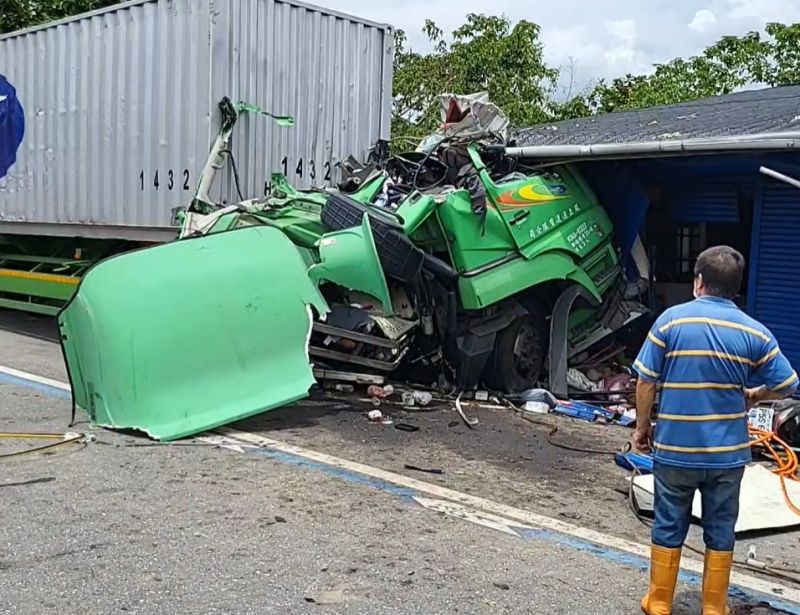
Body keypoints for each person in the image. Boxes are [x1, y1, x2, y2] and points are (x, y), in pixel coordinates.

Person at [633, 245, 798, 615]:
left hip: (676, 450)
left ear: (698, 282)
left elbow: (645, 380)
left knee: (668, 521)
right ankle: (713, 606)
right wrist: (755, 394)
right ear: (736, 288)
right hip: (727, 456)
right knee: (721, 527)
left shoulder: (670, 321)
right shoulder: (754, 332)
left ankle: (659, 601)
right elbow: (788, 383)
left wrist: (642, 428)